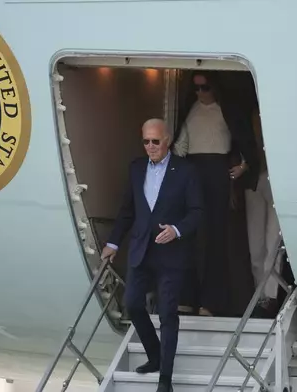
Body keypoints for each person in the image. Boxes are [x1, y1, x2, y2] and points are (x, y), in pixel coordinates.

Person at [101, 118, 204, 392]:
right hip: (141, 250)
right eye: (145, 141)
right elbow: (127, 210)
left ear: (167, 140)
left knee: (168, 314)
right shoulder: (136, 168)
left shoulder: (186, 171)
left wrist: (177, 230)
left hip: (171, 255)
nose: (150, 146)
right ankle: (155, 355)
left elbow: (197, 212)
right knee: (133, 304)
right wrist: (113, 243)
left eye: (155, 141)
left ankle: (165, 380)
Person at [173, 71, 258, 317]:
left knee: (216, 238)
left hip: (217, 173)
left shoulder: (227, 110)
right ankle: (187, 296)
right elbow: (181, 144)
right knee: (189, 234)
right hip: (193, 171)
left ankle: (212, 301)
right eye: (196, 88)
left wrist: (243, 166)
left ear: (215, 88)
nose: (200, 93)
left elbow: (246, 141)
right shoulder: (191, 110)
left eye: (205, 87)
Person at [245, 107, 282, 316]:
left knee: (272, 243)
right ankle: (261, 296)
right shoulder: (248, 120)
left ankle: (271, 297)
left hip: (277, 181)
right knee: (256, 245)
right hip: (253, 181)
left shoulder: (283, 119)